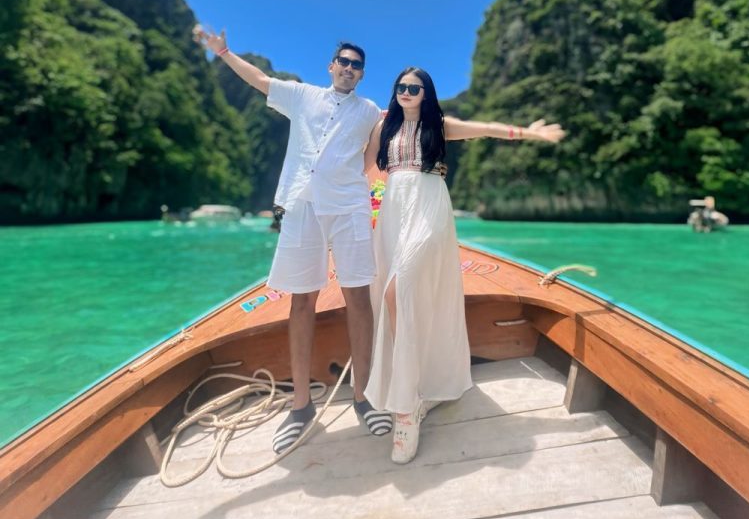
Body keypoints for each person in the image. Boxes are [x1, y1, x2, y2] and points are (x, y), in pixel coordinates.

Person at [194, 28, 392, 452]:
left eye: (357, 65)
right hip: (302, 205)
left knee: (359, 298)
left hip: (349, 207)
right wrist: (223, 52)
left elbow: (374, 155)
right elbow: (261, 80)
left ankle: (363, 397)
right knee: (302, 300)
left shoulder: (370, 111)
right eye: (344, 62)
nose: (349, 68)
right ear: (332, 66)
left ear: (361, 74)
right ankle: (301, 406)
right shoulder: (302, 96)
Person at [363, 66, 565, 464]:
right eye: (401, 86)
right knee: (396, 298)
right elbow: (363, 169)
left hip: (429, 207)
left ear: (426, 92)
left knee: (399, 290)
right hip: (392, 213)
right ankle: (416, 389)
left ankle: (406, 409)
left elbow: (486, 129)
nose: (406, 92)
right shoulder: (383, 128)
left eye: (414, 87)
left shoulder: (440, 125)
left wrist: (530, 133)